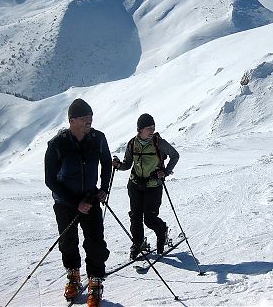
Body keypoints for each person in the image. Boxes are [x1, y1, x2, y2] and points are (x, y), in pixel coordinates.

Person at [44, 98, 112, 307]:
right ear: (72, 120)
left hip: (91, 200)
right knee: (68, 242)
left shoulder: (98, 139)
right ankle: (73, 276)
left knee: (95, 242)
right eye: (84, 118)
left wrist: (103, 189)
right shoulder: (57, 144)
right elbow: (50, 179)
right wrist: (75, 203)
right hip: (65, 203)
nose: (89, 121)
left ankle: (95, 283)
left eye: (90, 117)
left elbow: (107, 163)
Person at [113, 113, 179, 260]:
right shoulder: (132, 143)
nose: (151, 130)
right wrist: (118, 166)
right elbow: (128, 164)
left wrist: (166, 172)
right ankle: (138, 243)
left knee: (149, 218)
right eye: (148, 128)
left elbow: (175, 155)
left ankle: (162, 231)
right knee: (135, 217)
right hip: (135, 184)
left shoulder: (159, 143)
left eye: (153, 127)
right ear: (139, 130)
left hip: (153, 185)